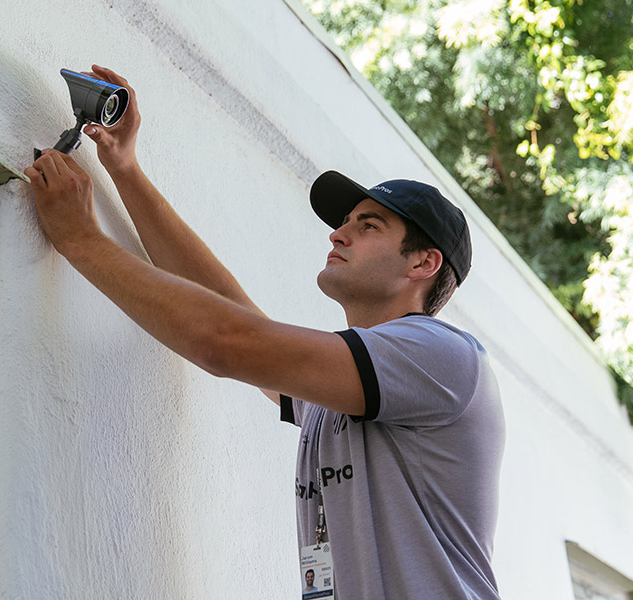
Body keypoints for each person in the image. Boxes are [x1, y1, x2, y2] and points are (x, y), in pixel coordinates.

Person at [26, 65, 505, 600]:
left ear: (424, 263)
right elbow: (235, 316)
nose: (338, 232)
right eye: (346, 221)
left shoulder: (441, 357)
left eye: (368, 225)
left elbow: (229, 341)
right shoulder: (343, 390)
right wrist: (126, 170)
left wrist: (82, 240)